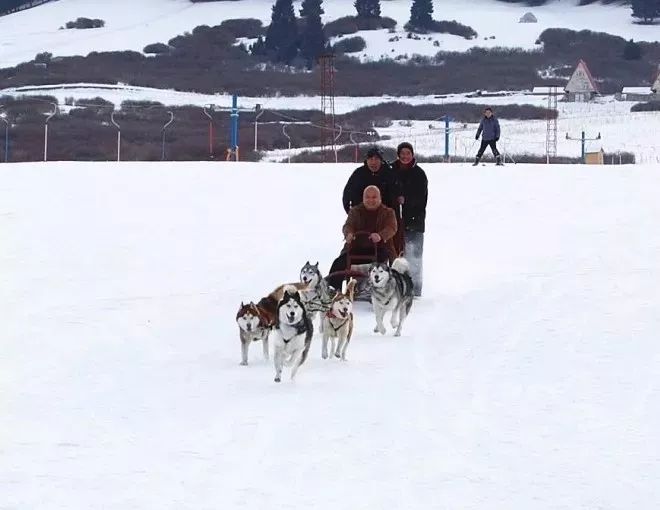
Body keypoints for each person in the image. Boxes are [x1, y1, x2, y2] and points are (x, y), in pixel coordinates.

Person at [326, 186, 397, 290]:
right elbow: (348, 225)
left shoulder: (388, 212)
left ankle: (382, 290)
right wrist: (348, 234)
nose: (370, 200)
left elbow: (391, 227)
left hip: (380, 249)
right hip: (357, 248)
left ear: (380, 198)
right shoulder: (355, 211)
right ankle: (333, 291)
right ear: (363, 198)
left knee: (382, 265)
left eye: (374, 197)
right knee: (339, 263)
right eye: (367, 197)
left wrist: (380, 235)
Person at [391, 142, 427, 296]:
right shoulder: (391, 170)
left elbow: (421, 197)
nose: (405, 156)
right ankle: (396, 287)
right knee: (395, 255)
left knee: (414, 255)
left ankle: (415, 289)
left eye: (408, 153)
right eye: (402, 153)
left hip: (414, 220)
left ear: (412, 155)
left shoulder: (419, 173)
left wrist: (406, 200)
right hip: (393, 220)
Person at [342, 146, 403, 213]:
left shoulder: (389, 173)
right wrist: (351, 213)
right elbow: (347, 194)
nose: (373, 162)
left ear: (381, 160)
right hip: (362, 215)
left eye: (376, 159)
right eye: (371, 159)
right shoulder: (358, 173)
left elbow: (397, 195)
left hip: (384, 216)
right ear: (367, 160)